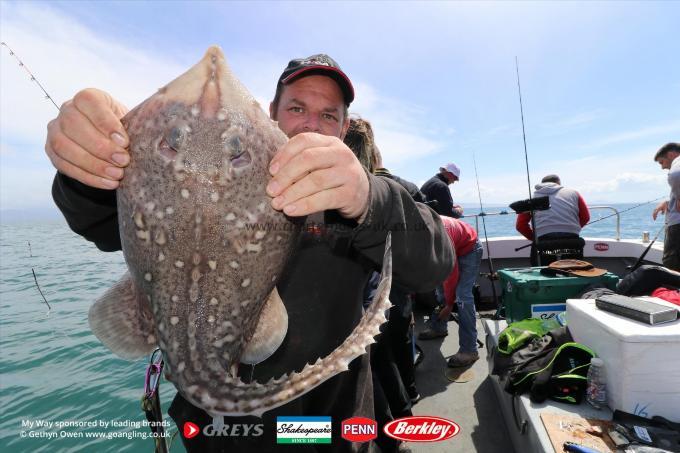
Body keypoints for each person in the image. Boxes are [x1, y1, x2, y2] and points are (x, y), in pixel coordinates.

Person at [45, 53, 454, 452]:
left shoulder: (369, 194)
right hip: (215, 432)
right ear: (272, 112)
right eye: (297, 107)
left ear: (344, 128)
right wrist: (90, 168)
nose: (312, 123)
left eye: (328, 114)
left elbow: (434, 264)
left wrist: (369, 200)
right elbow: (96, 221)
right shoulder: (219, 161)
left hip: (324, 423)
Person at [417, 217, 484, 367]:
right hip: (454, 245)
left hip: (470, 248)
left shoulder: (439, 237)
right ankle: (439, 328)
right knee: (440, 290)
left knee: (462, 296)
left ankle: (470, 350)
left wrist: (448, 305)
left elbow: (450, 275)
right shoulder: (414, 232)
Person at [515, 174, 590, 266]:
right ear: (558, 183)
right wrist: (571, 230)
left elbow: (521, 226)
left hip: (543, 244)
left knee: (543, 273)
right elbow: (585, 217)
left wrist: (535, 238)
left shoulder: (532, 198)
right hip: (573, 242)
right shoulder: (574, 193)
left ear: (542, 184)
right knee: (573, 272)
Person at [652, 143, 680, 271]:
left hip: (677, 226)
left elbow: (676, 175)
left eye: (661, 162)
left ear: (671, 154)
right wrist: (669, 202)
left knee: (673, 263)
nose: (662, 167)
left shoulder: (677, 163)